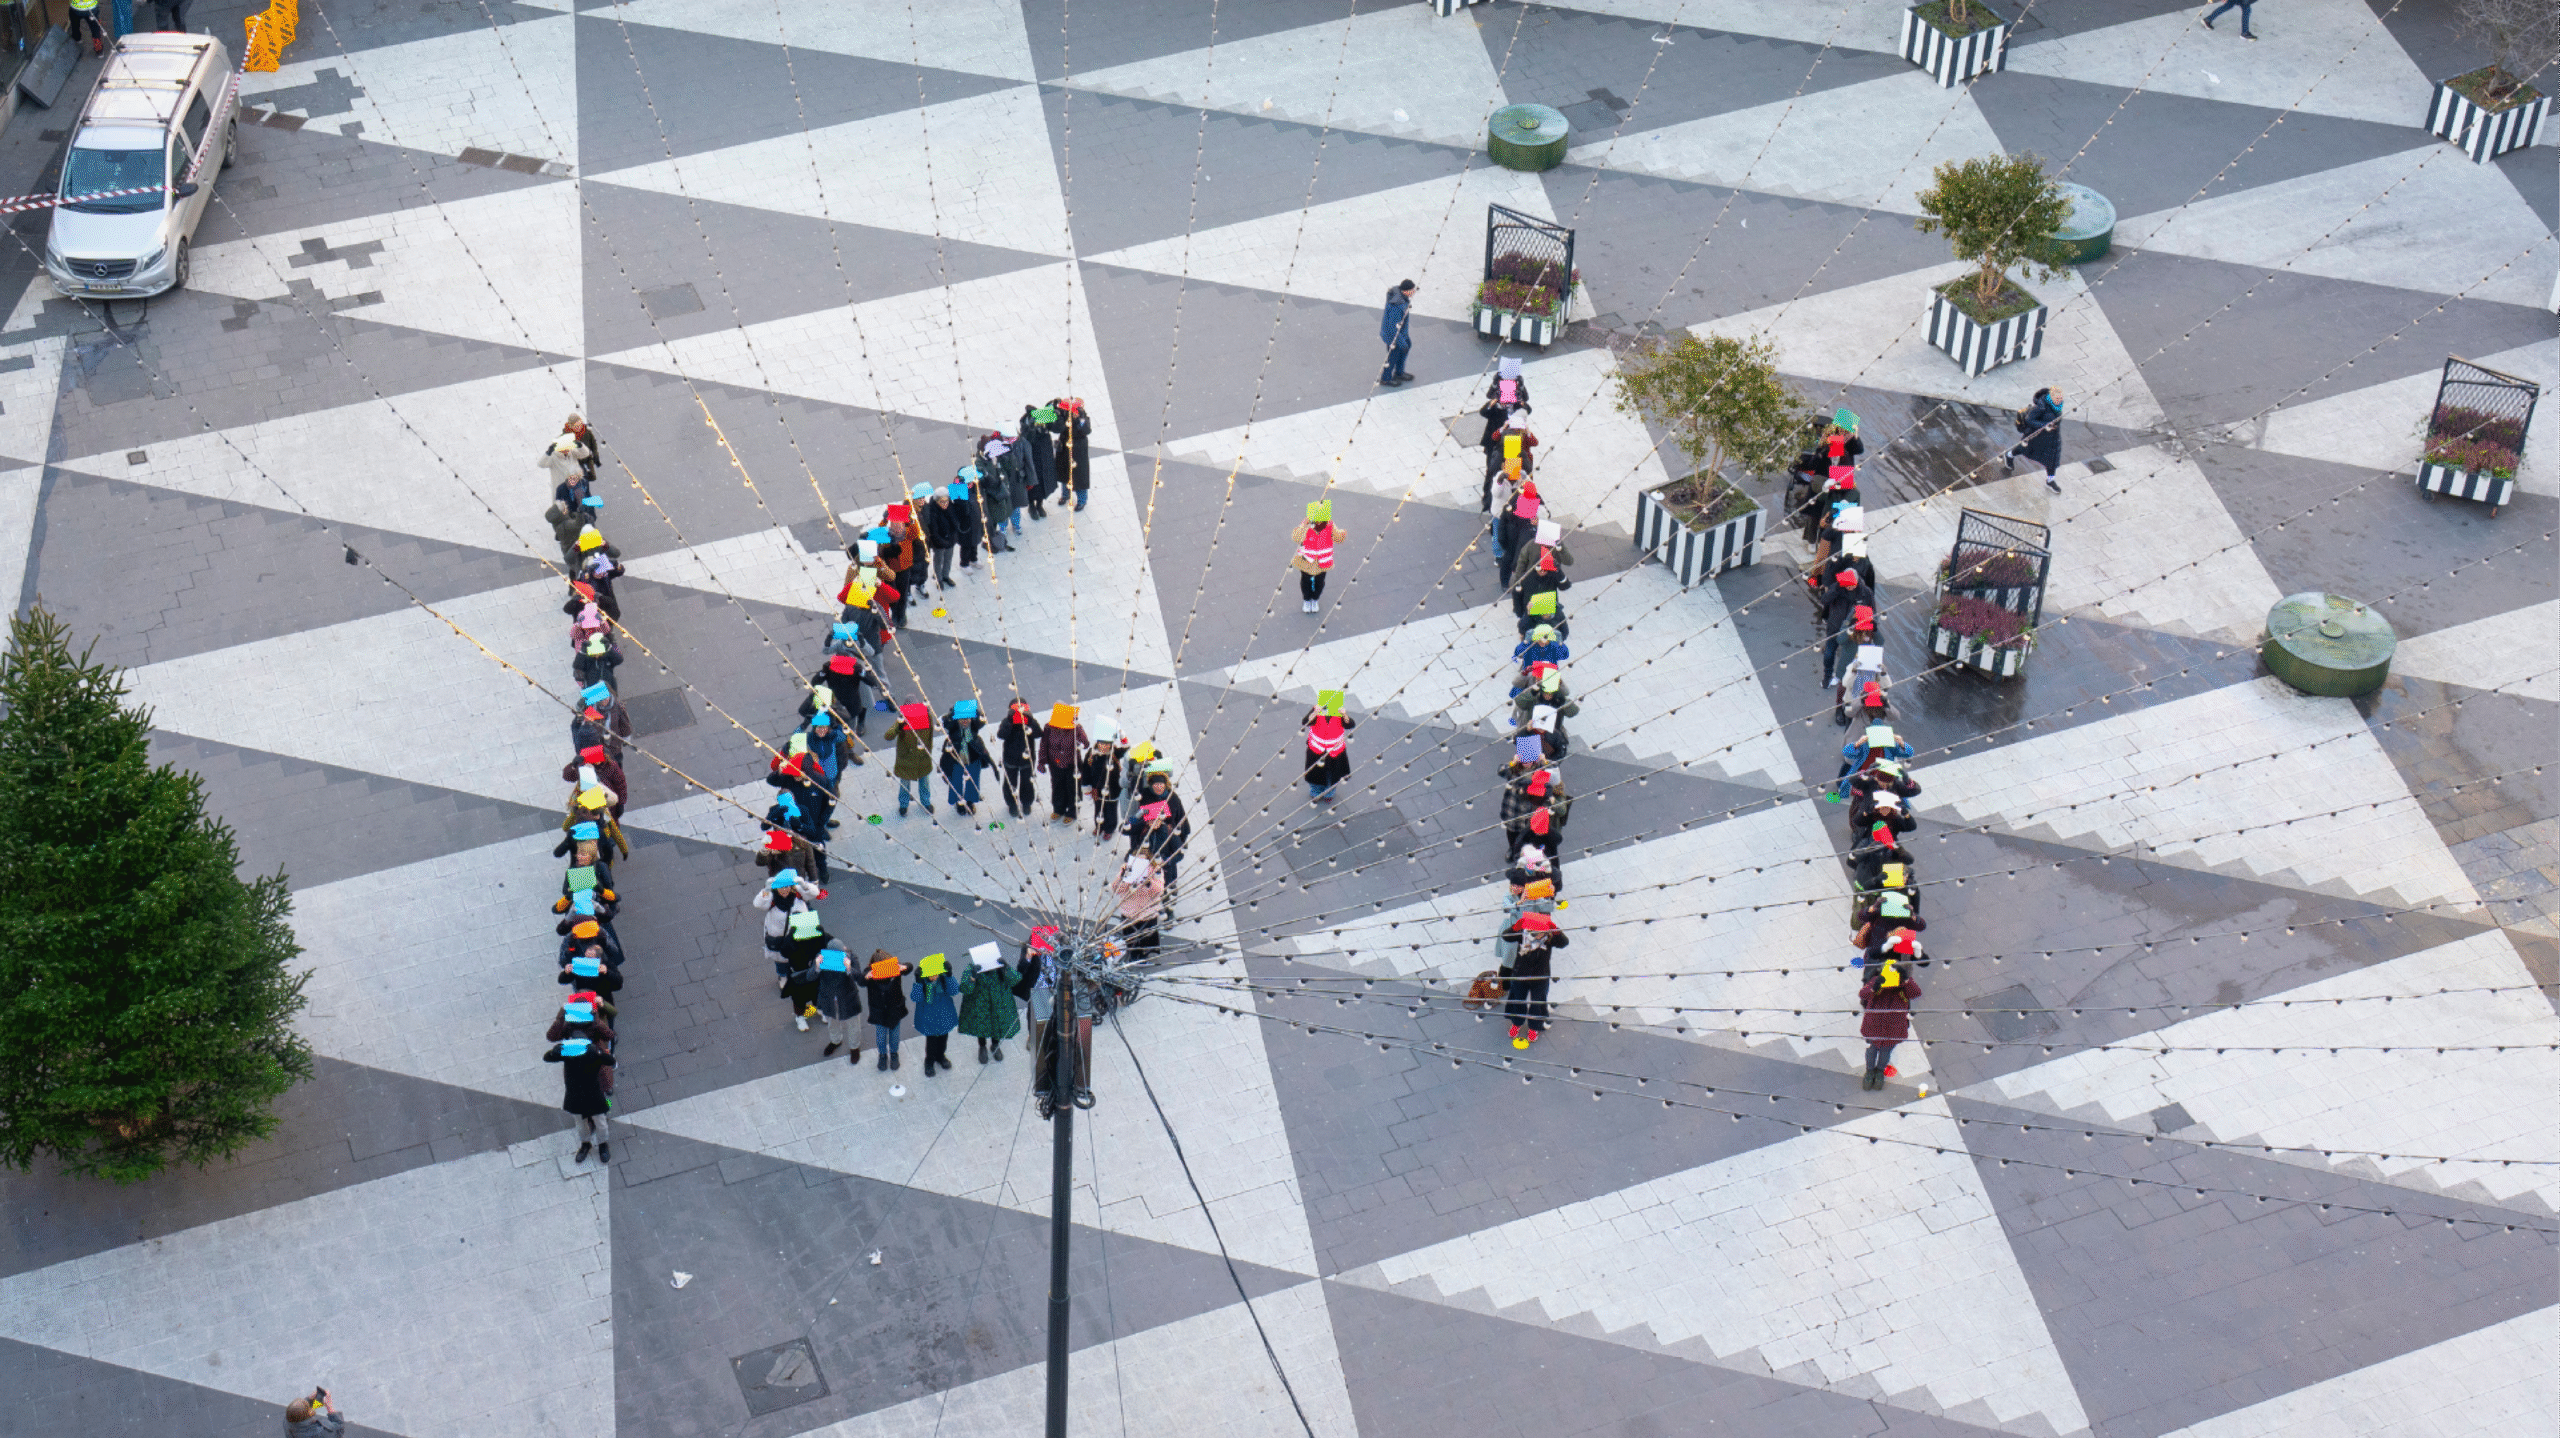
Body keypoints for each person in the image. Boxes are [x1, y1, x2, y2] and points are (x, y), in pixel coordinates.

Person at [543, 1034, 615, 1163]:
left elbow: (611, 1061)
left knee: (601, 1124)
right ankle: (585, 1144)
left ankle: (603, 1144)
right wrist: (556, 1050)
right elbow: (547, 1058)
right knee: (581, 1125)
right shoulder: (568, 1054)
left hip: (593, 1094)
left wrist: (599, 1053)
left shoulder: (593, 1053)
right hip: (575, 1095)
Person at [1503, 911, 1566, 1049]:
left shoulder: (1549, 939)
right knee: (1518, 1000)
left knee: (1537, 1003)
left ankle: (1534, 1027)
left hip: (1540, 976)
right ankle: (1517, 1023)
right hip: (1521, 974)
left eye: (1540, 932)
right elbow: (1506, 937)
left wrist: (1555, 930)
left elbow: (1564, 943)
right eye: (1534, 932)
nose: (1537, 935)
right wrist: (1515, 927)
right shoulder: (1523, 935)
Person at [1858, 961, 1919, 1089]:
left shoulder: (1903, 986)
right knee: (1871, 1051)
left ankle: (1879, 1071)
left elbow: (1916, 994)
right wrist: (1874, 986)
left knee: (1885, 1052)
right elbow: (1863, 994)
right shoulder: (1877, 981)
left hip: (1894, 1028)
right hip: (1874, 1026)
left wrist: (1906, 980)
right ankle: (1869, 1072)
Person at [958, 943, 1021, 1063]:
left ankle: (995, 1045)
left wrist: (1006, 967)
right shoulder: (972, 968)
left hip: (998, 1005)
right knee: (981, 1028)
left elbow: (1016, 979)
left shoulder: (999, 967)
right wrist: (972, 978)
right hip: (980, 1006)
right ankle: (982, 1047)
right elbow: (964, 988)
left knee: (997, 1027)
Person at [2006, 386, 2065, 491]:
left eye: (2060, 398)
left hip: (2052, 438)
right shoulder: (2041, 407)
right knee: (2023, 449)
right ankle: (2009, 455)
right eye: (2057, 399)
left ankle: (2050, 480)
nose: (2059, 401)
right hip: (2038, 436)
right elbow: (2029, 420)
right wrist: (2045, 425)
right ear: (2051, 398)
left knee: (2052, 459)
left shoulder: (2058, 406)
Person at [911, 953, 961, 1074]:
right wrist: (918, 983)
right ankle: (929, 1061)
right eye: (931, 974)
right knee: (931, 1043)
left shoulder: (943, 979)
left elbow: (954, 991)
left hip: (944, 1016)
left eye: (936, 973)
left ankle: (940, 1056)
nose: (934, 977)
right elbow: (916, 998)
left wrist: (950, 975)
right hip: (929, 1019)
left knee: (943, 1040)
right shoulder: (922, 983)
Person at [1111, 853, 1167, 961]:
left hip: (1147, 914)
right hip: (1129, 913)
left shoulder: (1156, 871)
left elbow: (1159, 890)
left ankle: (1145, 954)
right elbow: (1116, 889)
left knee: (1147, 937)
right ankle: (1133, 955)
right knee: (1130, 938)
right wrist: (1124, 878)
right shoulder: (1126, 868)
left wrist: (1149, 882)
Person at [1037, 703, 1087, 823]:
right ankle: (1058, 809)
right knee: (1057, 786)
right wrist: (1041, 762)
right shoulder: (1048, 728)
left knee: (1073, 788)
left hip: (1072, 765)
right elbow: (1044, 745)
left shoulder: (1075, 729)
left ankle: (1072, 812)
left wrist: (1080, 735)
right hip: (1055, 764)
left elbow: (1086, 743)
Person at [941, 700, 992, 816]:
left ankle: (969, 802)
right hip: (956, 760)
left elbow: (982, 719)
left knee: (973, 782)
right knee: (956, 782)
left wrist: (974, 711)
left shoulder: (973, 726)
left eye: (968, 718)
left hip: (972, 759)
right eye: (962, 718)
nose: (965, 721)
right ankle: (959, 803)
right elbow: (945, 721)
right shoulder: (953, 728)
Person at [813, 946, 863, 1062]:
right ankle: (836, 1041)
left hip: (848, 1001)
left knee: (853, 1026)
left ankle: (854, 1048)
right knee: (832, 1024)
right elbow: (810, 976)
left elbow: (860, 979)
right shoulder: (821, 958)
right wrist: (817, 966)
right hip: (830, 1001)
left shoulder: (851, 957)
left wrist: (849, 968)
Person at [864, 951, 911, 1071]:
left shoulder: (895, 969)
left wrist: (904, 967)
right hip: (879, 1012)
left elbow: (909, 966)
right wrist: (867, 976)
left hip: (894, 1010)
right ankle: (883, 1055)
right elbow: (861, 979)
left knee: (894, 1035)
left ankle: (894, 1054)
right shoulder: (870, 973)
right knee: (881, 1036)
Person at [1080, 720, 1127, 841]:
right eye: (1102, 743)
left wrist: (1122, 735)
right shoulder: (1091, 755)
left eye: (1107, 744)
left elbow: (1127, 748)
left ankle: (1109, 829)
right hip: (1097, 789)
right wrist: (1086, 787)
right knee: (1098, 809)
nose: (1104, 746)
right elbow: (1085, 771)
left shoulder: (1115, 752)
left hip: (1113, 789)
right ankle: (1099, 826)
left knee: (1111, 811)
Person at [1290, 501, 1339, 614]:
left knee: (1320, 582)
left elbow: (1338, 538)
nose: (1319, 522)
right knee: (1305, 581)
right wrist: (1304, 526)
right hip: (1307, 560)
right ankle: (1307, 599)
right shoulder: (1307, 525)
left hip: (1323, 560)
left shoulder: (1330, 525)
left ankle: (1315, 599)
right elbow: (1296, 537)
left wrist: (1340, 534)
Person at [890, 703, 937, 817]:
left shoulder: (926, 718)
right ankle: (903, 805)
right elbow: (888, 736)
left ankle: (926, 802)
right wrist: (899, 727)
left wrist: (928, 752)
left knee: (924, 783)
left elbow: (930, 736)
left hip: (922, 758)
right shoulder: (902, 721)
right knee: (905, 784)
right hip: (906, 760)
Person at [1303, 697, 1354, 802]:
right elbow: (1306, 722)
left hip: (1335, 754)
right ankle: (1315, 793)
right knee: (1315, 774)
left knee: (1332, 776)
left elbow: (1350, 724)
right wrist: (1315, 712)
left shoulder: (1338, 713)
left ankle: (1328, 794)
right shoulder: (1317, 711)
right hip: (1316, 752)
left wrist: (1344, 714)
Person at [998, 698, 1039, 819]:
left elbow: (1038, 733)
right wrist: (1010, 722)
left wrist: (1030, 721)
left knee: (1027, 783)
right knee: (1010, 784)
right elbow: (1001, 735)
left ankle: (1026, 803)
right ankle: (1012, 804)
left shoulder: (1030, 722)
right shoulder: (1007, 722)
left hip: (1027, 760)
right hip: (1010, 760)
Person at [1378, 279, 1417, 386]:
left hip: (1401, 332)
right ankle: (1386, 379)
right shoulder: (1397, 305)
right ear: (1405, 291)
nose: (1413, 292)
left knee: (1406, 347)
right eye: (1412, 290)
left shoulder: (1400, 296)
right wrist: (1401, 342)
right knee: (1392, 356)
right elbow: (1393, 328)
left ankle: (1399, 372)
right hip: (1393, 336)